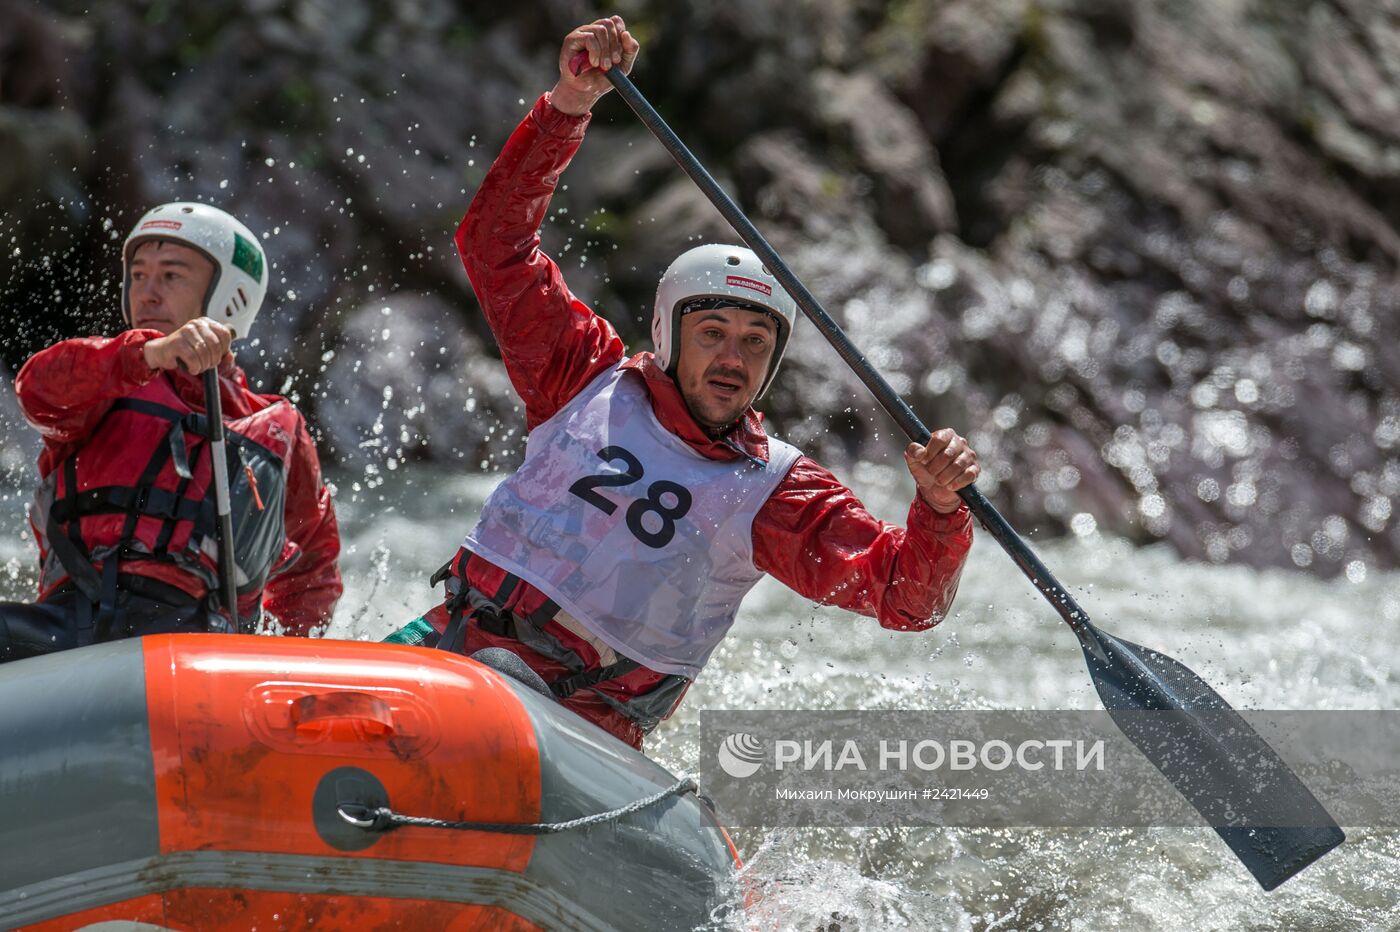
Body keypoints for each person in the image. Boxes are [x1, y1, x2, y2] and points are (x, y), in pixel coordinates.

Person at [394, 18, 979, 750]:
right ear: (670, 335)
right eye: (714, 335)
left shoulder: (778, 494)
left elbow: (906, 597)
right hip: (450, 650)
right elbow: (494, 246)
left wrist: (940, 507)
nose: (734, 358)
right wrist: (570, 104)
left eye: (756, 343)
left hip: (580, 731)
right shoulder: (580, 375)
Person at [0, 202, 342, 660]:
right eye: (138, 276)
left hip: (197, 645)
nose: (148, 293)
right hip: (68, 622)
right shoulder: (103, 378)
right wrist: (150, 355)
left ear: (229, 297)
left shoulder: (275, 430)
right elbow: (36, 390)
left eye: (171, 276)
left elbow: (311, 573)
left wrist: (288, 666)